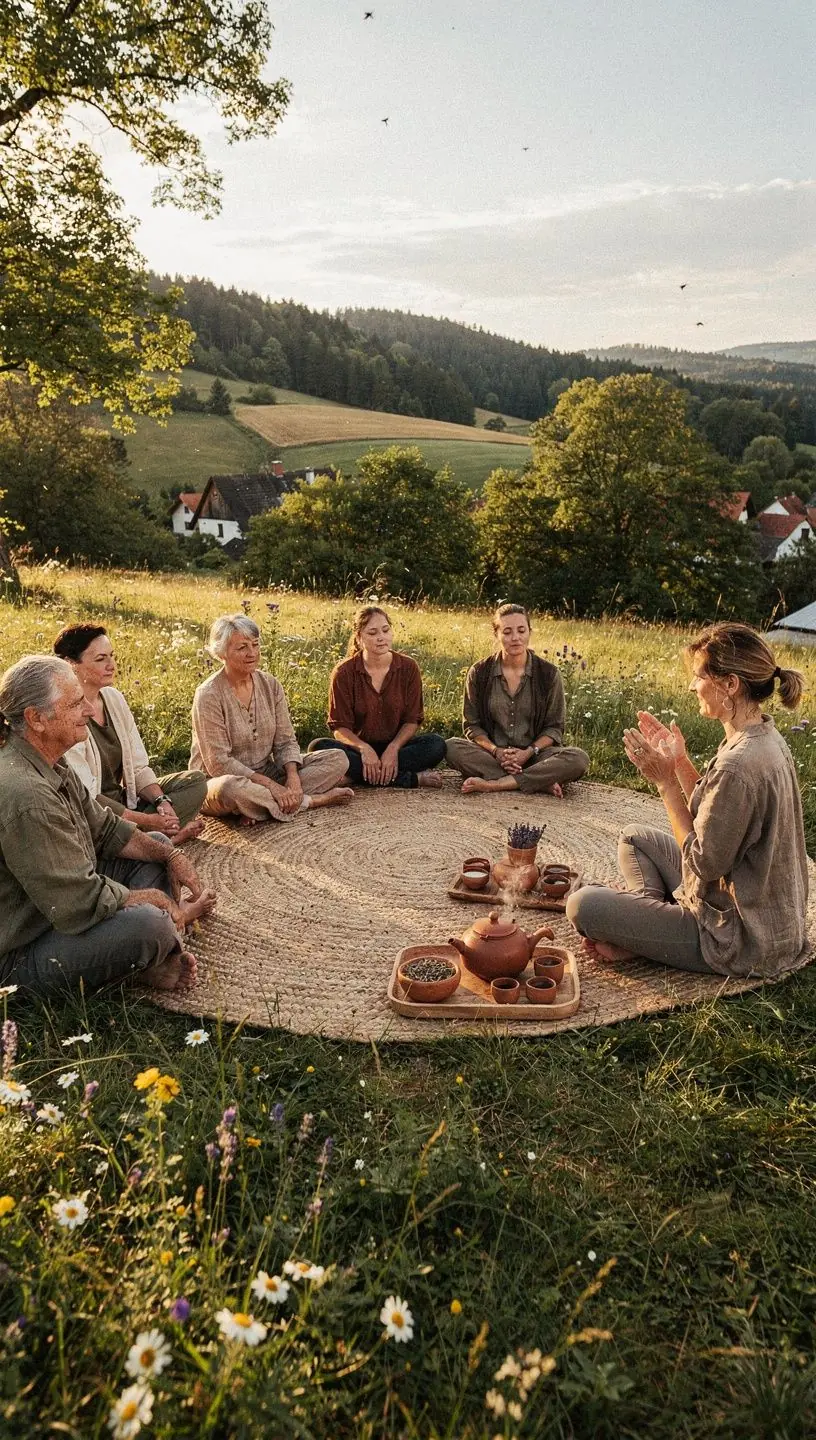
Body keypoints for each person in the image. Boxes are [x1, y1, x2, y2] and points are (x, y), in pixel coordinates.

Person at [566, 623, 809, 979]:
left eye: (699, 676)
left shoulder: (739, 763)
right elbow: (716, 813)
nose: (692, 685)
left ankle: (640, 934)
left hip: (742, 938)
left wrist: (665, 782)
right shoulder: (761, 737)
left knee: (583, 904)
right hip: (765, 919)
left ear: (730, 684)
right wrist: (679, 762)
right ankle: (644, 929)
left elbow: (704, 863)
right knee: (635, 838)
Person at [0, 655, 216, 995]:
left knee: (157, 844)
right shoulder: (27, 795)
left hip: (56, 913)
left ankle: (143, 956)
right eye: (75, 704)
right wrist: (156, 902)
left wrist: (170, 856)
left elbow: (107, 830)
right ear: (36, 719)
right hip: (20, 951)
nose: (88, 710)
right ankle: (159, 941)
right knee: (150, 924)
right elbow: (77, 901)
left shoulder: (50, 764)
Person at [191, 615, 353, 824]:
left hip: (266, 772)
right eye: (242, 648)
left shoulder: (270, 684)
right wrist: (272, 786)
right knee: (229, 789)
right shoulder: (208, 695)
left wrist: (293, 778)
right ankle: (311, 801)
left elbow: (286, 741)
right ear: (222, 653)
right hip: (219, 781)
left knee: (338, 758)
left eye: (255, 645)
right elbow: (218, 764)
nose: (252, 653)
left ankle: (257, 807)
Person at [54, 623, 207, 845]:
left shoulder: (114, 699)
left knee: (194, 782)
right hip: (95, 814)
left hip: (126, 803)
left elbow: (137, 767)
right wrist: (149, 821)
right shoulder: (67, 714)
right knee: (101, 831)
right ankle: (155, 842)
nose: (111, 665)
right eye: (100, 659)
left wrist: (162, 802)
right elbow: (87, 798)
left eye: (112, 656)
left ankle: (149, 841)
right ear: (71, 664)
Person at [446, 603, 589, 796]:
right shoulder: (479, 672)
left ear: (529, 631)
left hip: (536, 756)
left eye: (521, 630)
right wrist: (497, 751)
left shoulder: (548, 674)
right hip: (493, 756)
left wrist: (528, 752)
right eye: (507, 632)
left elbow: (554, 728)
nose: (515, 638)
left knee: (578, 759)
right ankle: (537, 781)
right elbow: (472, 725)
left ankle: (497, 784)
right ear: (496, 635)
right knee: (450, 747)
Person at [308, 606, 446, 789]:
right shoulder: (344, 672)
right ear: (359, 637)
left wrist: (394, 748)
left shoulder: (408, 667)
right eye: (372, 633)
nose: (381, 637)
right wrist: (364, 749)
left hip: (399, 748)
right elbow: (340, 728)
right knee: (318, 746)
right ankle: (410, 779)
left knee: (436, 745)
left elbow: (412, 720)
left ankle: (356, 776)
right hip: (358, 750)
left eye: (386, 630)